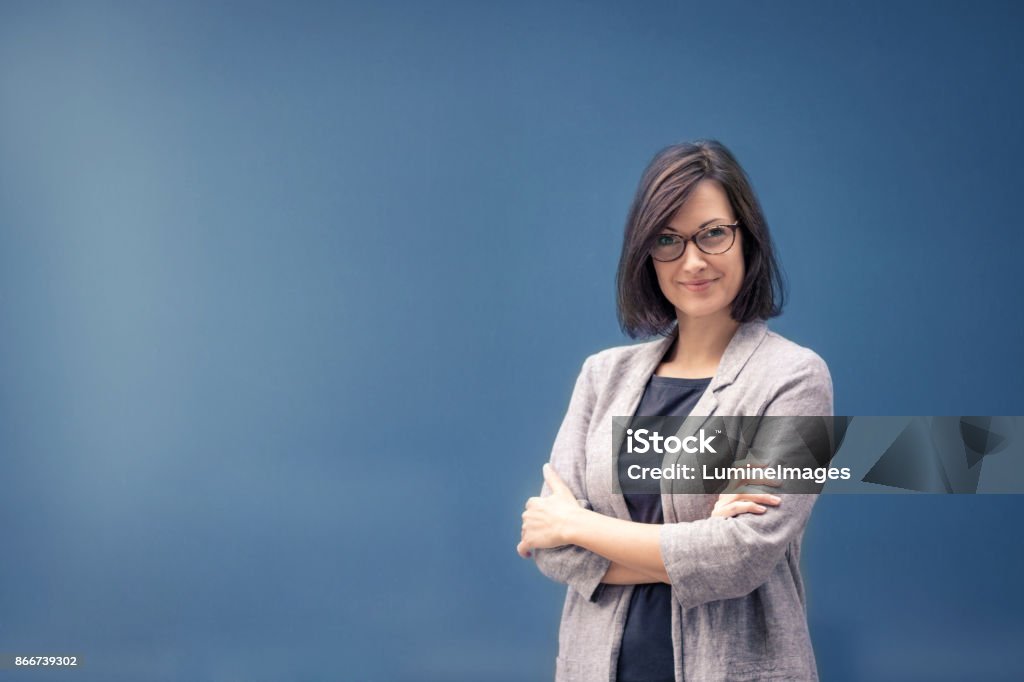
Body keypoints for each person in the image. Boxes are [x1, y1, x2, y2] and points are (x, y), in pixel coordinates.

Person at [516, 140, 833, 682]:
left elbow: (741, 557)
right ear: (646, 253)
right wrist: (694, 549)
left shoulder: (796, 379)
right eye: (668, 240)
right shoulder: (602, 376)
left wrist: (578, 523)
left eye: (712, 233)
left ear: (746, 237)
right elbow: (552, 552)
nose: (692, 261)